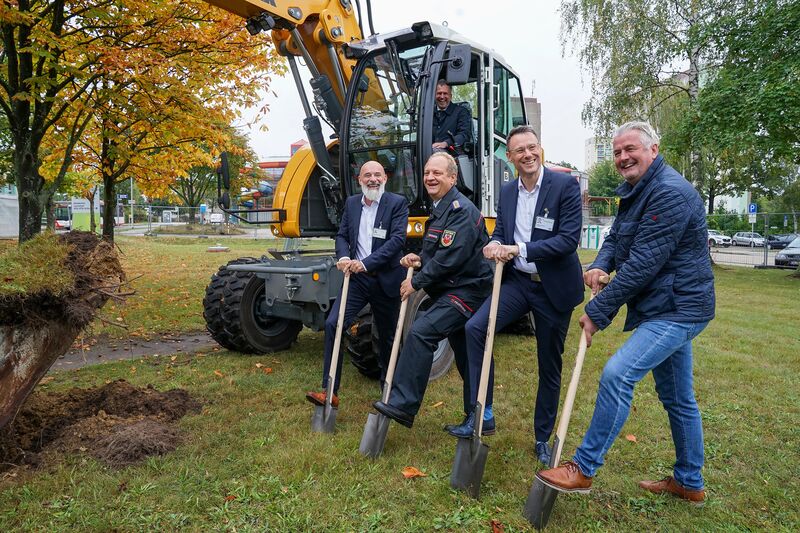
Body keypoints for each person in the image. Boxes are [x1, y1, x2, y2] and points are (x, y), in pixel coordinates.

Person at [536, 121, 715, 504]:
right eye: (616, 152)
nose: (622, 158)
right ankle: (689, 481)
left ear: (654, 149)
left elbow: (642, 265)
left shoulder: (670, 193)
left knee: (617, 375)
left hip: (680, 307)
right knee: (678, 398)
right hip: (662, 305)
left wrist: (598, 312)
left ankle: (583, 468)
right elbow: (617, 239)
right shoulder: (638, 190)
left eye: (630, 149)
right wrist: (600, 264)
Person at [447, 125, 584, 467]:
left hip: (552, 288)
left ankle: (541, 438)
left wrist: (518, 247)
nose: (527, 154)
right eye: (519, 150)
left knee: (548, 365)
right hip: (518, 284)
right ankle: (484, 412)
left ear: (541, 150)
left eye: (532, 147)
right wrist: (494, 243)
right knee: (476, 329)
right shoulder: (507, 192)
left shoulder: (564, 186)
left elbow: (568, 241)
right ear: (509, 157)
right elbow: (502, 232)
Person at [373, 152, 492, 428]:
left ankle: (402, 405)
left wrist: (415, 281)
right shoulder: (440, 208)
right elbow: (439, 252)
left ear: (453, 177)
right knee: (466, 355)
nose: (430, 177)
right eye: (427, 172)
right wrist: (419, 259)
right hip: (452, 288)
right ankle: (479, 417)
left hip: (467, 292)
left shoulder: (461, 211)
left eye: (437, 173)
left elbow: (451, 258)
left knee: (421, 332)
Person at [305, 160, 408, 409]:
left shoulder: (397, 203)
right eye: (367, 175)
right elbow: (342, 235)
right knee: (333, 323)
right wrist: (343, 257)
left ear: (385, 178)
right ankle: (330, 390)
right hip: (358, 281)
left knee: (387, 336)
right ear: (359, 180)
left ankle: (389, 387)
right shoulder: (352, 204)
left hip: (386, 279)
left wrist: (366, 263)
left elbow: (396, 241)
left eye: (377, 174)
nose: (372, 179)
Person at [432, 80, 472, 152]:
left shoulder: (461, 112)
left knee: (435, 151)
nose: (442, 97)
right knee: (407, 153)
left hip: (451, 152)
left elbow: (464, 135)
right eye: (439, 93)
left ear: (450, 96)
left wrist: (446, 143)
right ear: (434, 95)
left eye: (445, 93)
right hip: (429, 149)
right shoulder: (429, 113)